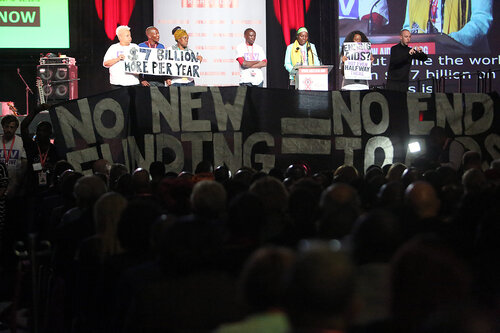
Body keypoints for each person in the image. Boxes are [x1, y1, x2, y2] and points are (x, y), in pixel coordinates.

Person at [403, 0, 492, 50]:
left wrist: (448, 41)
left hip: (464, 59)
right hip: (425, 58)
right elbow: (408, 26)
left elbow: (481, 20)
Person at [0, 115, 27, 198]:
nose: (9, 130)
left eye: (12, 127)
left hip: (15, 183)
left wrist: (19, 181)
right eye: (7, 127)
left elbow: (24, 163)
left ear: (16, 128)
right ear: (3, 127)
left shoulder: (21, 141)